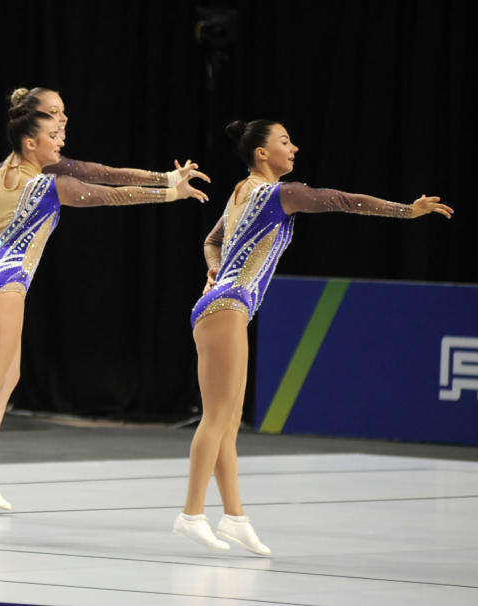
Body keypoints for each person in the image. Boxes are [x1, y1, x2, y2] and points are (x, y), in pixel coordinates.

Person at [0, 86, 209, 513]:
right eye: (54, 125)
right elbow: (110, 193)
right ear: (31, 138)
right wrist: (169, 192)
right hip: (4, 288)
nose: (62, 133)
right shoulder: (51, 185)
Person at [173, 119, 453, 555]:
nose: (295, 147)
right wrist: (406, 210)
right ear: (261, 152)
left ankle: (234, 518)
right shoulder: (279, 194)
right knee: (216, 420)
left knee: (227, 423)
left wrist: (215, 268)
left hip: (225, 304)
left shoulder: (239, 192)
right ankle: (191, 514)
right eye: (285, 142)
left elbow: (211, 240)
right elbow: (342, 200)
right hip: (227, 306)